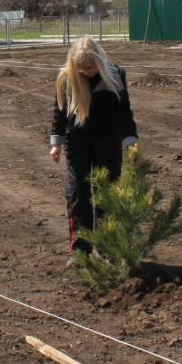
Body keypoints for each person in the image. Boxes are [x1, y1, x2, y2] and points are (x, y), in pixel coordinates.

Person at [49, 37, 138, 254]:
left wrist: (131, 140)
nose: (86, 72)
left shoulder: (115, 75)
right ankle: (81, 249)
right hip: (78, 140)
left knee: (107, 191)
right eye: (81, 69)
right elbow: (59, 111)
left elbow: (124, 110)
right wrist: (56, 142)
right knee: (78, 191)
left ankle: (108, 246)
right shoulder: (66, 77)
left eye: (90, 67)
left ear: (99, 62)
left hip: (108, 140)